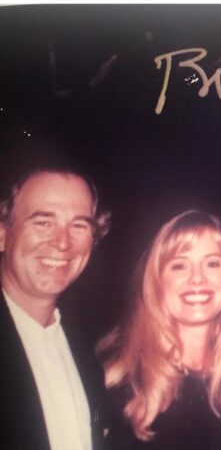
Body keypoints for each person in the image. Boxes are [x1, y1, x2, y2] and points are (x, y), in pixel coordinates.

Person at [97, 210, 221, 449]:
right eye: (179, 266)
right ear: (158, 280)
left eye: (212, 263)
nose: (197, 278)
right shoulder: (120, 377)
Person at [0, 167, 111, 450]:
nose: (62, 243)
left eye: (79, 225)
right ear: (2, 233)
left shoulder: (90, 346)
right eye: (43, 223)